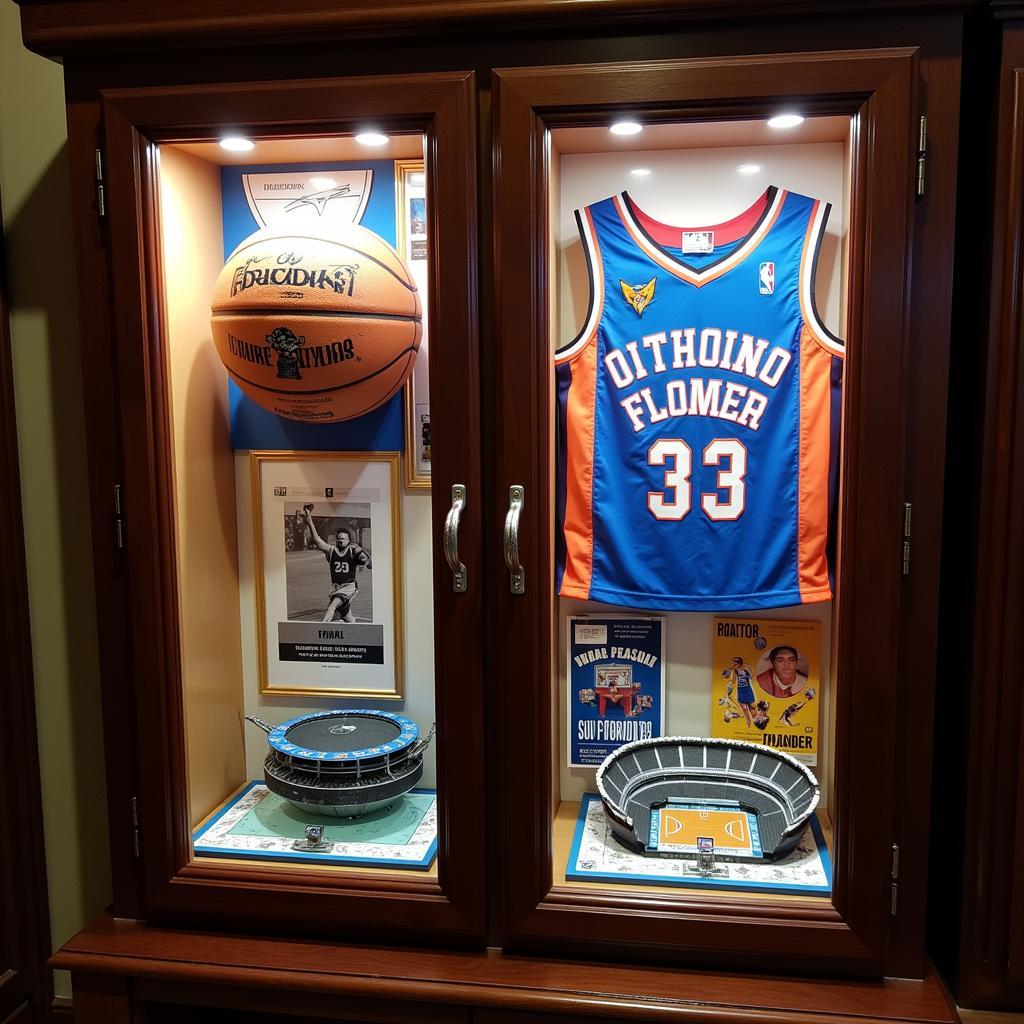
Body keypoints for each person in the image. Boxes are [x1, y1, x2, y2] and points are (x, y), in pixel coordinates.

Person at [304, 509, 370, 623]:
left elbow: (370, 564)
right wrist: (309, 521)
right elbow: (318, 540)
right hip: (336, 588)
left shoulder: (353, 550)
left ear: (348, 540)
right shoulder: (331, 551)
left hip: (349, 588)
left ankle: (320, 629)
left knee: (331, 607)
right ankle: (356, 627)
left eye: (343, 539)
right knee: (347, 618)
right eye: (338, 538)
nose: (340, 540)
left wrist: (365, 557)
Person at [722, 656, 756, 727]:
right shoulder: (735, 671)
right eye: (733, 664)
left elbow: (753, 677)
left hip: (748, 690)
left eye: (735, 664)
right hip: (740, 691)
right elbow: (733, 680)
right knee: (744, 708)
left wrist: (750, 668)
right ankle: (748, 720)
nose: (734, 665)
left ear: (739, 663)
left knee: (752, 709)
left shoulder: (746, 668)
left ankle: (756, 721)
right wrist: (729, 681)